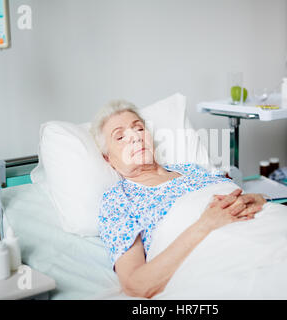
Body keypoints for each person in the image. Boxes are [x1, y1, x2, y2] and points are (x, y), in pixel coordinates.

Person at [90, 99, 267, 298]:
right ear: (108, 158)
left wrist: (260, 200)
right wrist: (205, 224)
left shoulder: (192, 170)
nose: (134, 138)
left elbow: (236, 195)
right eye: (120, 136)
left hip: (264, 231)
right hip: (226, 260)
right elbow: (135, 285)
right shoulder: (118, 199)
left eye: (138, 129)